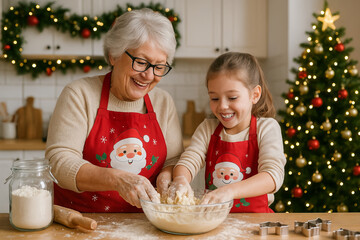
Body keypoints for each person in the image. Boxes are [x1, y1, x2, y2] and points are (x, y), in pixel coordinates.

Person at [45, 8, 183, 212]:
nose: (148, 75)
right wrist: (118, 179)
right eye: (141, 62)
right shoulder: (79, 94)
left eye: (159, 66)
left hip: (145, 223)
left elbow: (173, 159)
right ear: (113, 55)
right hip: (80, 221)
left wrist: (166, 176)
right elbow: (59, 162)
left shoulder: (163, 102)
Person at [169, 52, 286, 213]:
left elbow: (272, 176)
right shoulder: (207, 128)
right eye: (215, 99)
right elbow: (190, 160)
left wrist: (229, 191)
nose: (222, 106)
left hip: (257, 221)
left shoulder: (267, 128)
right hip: (215, 220)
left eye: (232, 98)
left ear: (255, 95)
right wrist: (181, 179)